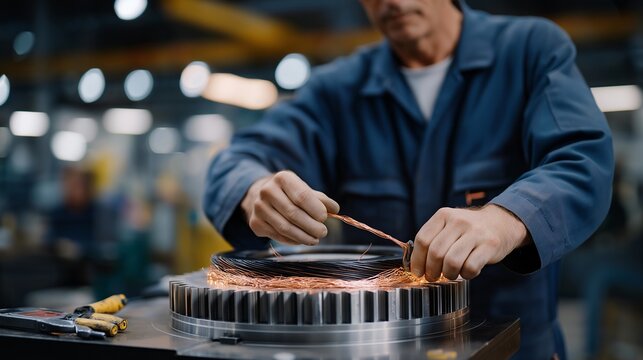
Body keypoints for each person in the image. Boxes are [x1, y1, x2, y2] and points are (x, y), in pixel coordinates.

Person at [203, 0, 614, 358]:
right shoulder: (337, 91)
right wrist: (254, 189)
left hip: (515, 350)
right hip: (375, 350)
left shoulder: (529, 51)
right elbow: (237, 161)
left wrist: (504, 219)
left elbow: (582, 161)